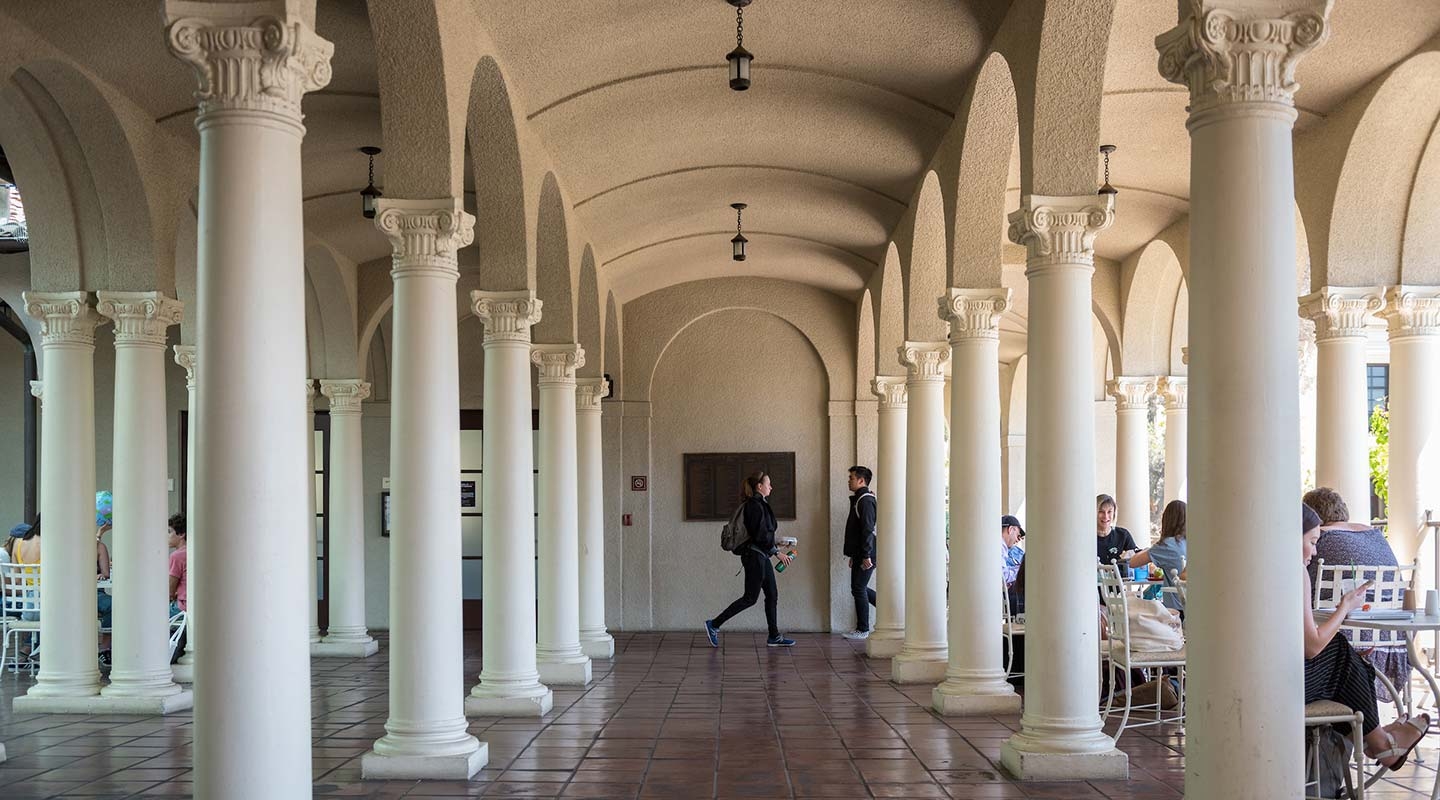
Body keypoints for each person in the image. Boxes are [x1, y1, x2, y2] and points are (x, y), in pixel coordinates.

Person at [1302, 502, 1429, 769]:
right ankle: (1380, 743)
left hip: (1257, 667)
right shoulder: (1375, 537)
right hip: (1388, 646)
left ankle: (1377, 740)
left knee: (1342, 653)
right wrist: (1345, 606)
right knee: (1340, 653)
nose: (1315, 550)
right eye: (1313, 542)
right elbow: (1312, 646)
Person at [1303, 486, 1409, 699]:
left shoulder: (1319, 538)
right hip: (1394, 643)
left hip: (1342, 644)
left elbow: (1305, 595)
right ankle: (1377, 732)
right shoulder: (1375, 535)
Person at [704, 471, 795, 648]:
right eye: (768, 483)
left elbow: (761, 535)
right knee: (750, 598)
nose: (771, 486)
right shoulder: (754, 505)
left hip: (761, 555)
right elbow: (760, 535)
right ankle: (714, 624)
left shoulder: (760, 504)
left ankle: (774, 636)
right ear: (759, 487)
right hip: (755, 557)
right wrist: (777, 552)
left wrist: (777, 543)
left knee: (772, 594)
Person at [1129, 500, 1186, 611]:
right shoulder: (1192, 543)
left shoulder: (1167, 545)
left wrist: (1148, 550)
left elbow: (1133, 562)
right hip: (1196, 609)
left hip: (1176, 611)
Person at [841, 465, 878, 640]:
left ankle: (863, 629)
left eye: (852, 478)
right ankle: (891, 609)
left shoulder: (865, 500)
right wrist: (853, 555)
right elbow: (857, 531)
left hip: (867, 553)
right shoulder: (859, 499)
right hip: (860, 553)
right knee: (858, 588)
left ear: (861, 480)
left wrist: (866, 555)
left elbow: (867, 530)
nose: (849, 480)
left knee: (858, 588)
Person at [1095, 494, 1138, 568]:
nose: (1106, 516)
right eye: (1101, 512)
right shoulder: (1086, 538)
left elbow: (1136, 557)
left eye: (1109, 512)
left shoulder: (1123, 535)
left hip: (1120, 579)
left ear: (1114, 513)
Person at [168, 514, 187, 617]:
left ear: (181, 534)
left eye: (169, 532)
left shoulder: (177, 556)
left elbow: (169, 591)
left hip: (182, 608)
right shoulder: (193, 552)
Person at [1001, 515, 1025, 585]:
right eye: (1018, 535)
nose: (1017, 540)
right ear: (1010, 529)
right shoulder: (1000, 545)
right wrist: (1022, 569)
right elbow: (1003, 576)